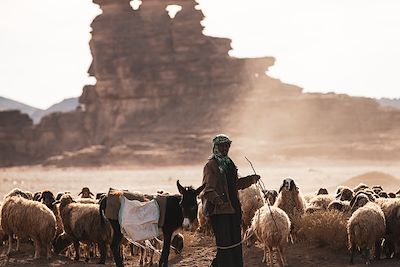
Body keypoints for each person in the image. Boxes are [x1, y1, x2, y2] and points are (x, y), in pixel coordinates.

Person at [201, 134, 260, 267]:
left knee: (235, 243)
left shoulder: (229, 164)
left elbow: (235, 185)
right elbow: (208, 189)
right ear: (215, 147)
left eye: (227, 145)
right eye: (222, 146)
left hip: (233, 209)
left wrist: (251, 179)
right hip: (219, 212)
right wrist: (220, 201)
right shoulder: (211, 166)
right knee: (224, 245)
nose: (225, 148)